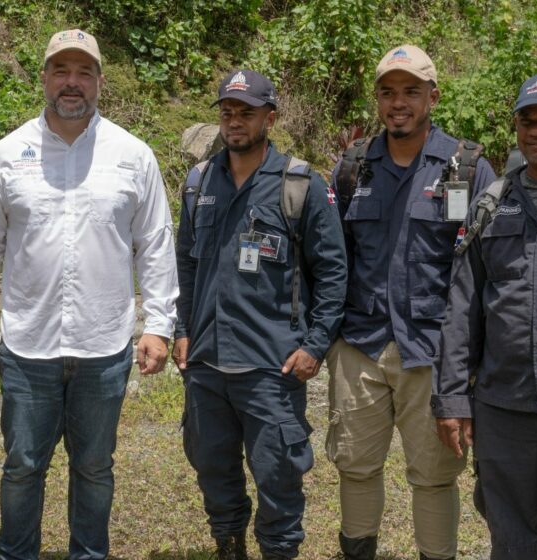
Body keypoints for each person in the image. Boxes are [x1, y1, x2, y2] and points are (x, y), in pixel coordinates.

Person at [0, 29, 178, 560]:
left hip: (103, 347)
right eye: (61, 70)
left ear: (100, 81)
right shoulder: (7, 155)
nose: (72, 83)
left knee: (95, 466)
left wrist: (158, 324)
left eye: (84, 72)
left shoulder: (133, 156)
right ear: (43, 78)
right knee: (21, 467)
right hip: (27, 344)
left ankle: (89, 554)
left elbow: (154, 243)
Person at [325, 45, 496, 560]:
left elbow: (485, 270)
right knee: (355, 465)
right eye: (388, 92)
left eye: (411, 92)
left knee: (434, 476)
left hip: (434, 350)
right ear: (377, 99)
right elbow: (333, 258)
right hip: (361, 344)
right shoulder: (353, 167)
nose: (398, 102)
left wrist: (474, 359)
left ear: (433, 96)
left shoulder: (467, 168)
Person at [173, 69, 347, 560]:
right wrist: (182, 329)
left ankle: (279, 551)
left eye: (245, 112)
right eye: (227, 112)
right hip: (206, 362)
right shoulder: (200, 182)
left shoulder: (301, 185)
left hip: (272, 365)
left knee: (279, 476)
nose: (234, 122)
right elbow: (186, 263)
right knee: (213, 469)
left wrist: (314, 346)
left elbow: (333, 274)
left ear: (270, 117)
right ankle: (229, 546)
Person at [434, 71, 537, 560]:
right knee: (514, 544)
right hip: (506, 413)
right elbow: (461, 307)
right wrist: (453, 398)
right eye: (528, 120)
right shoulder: (492, 203)